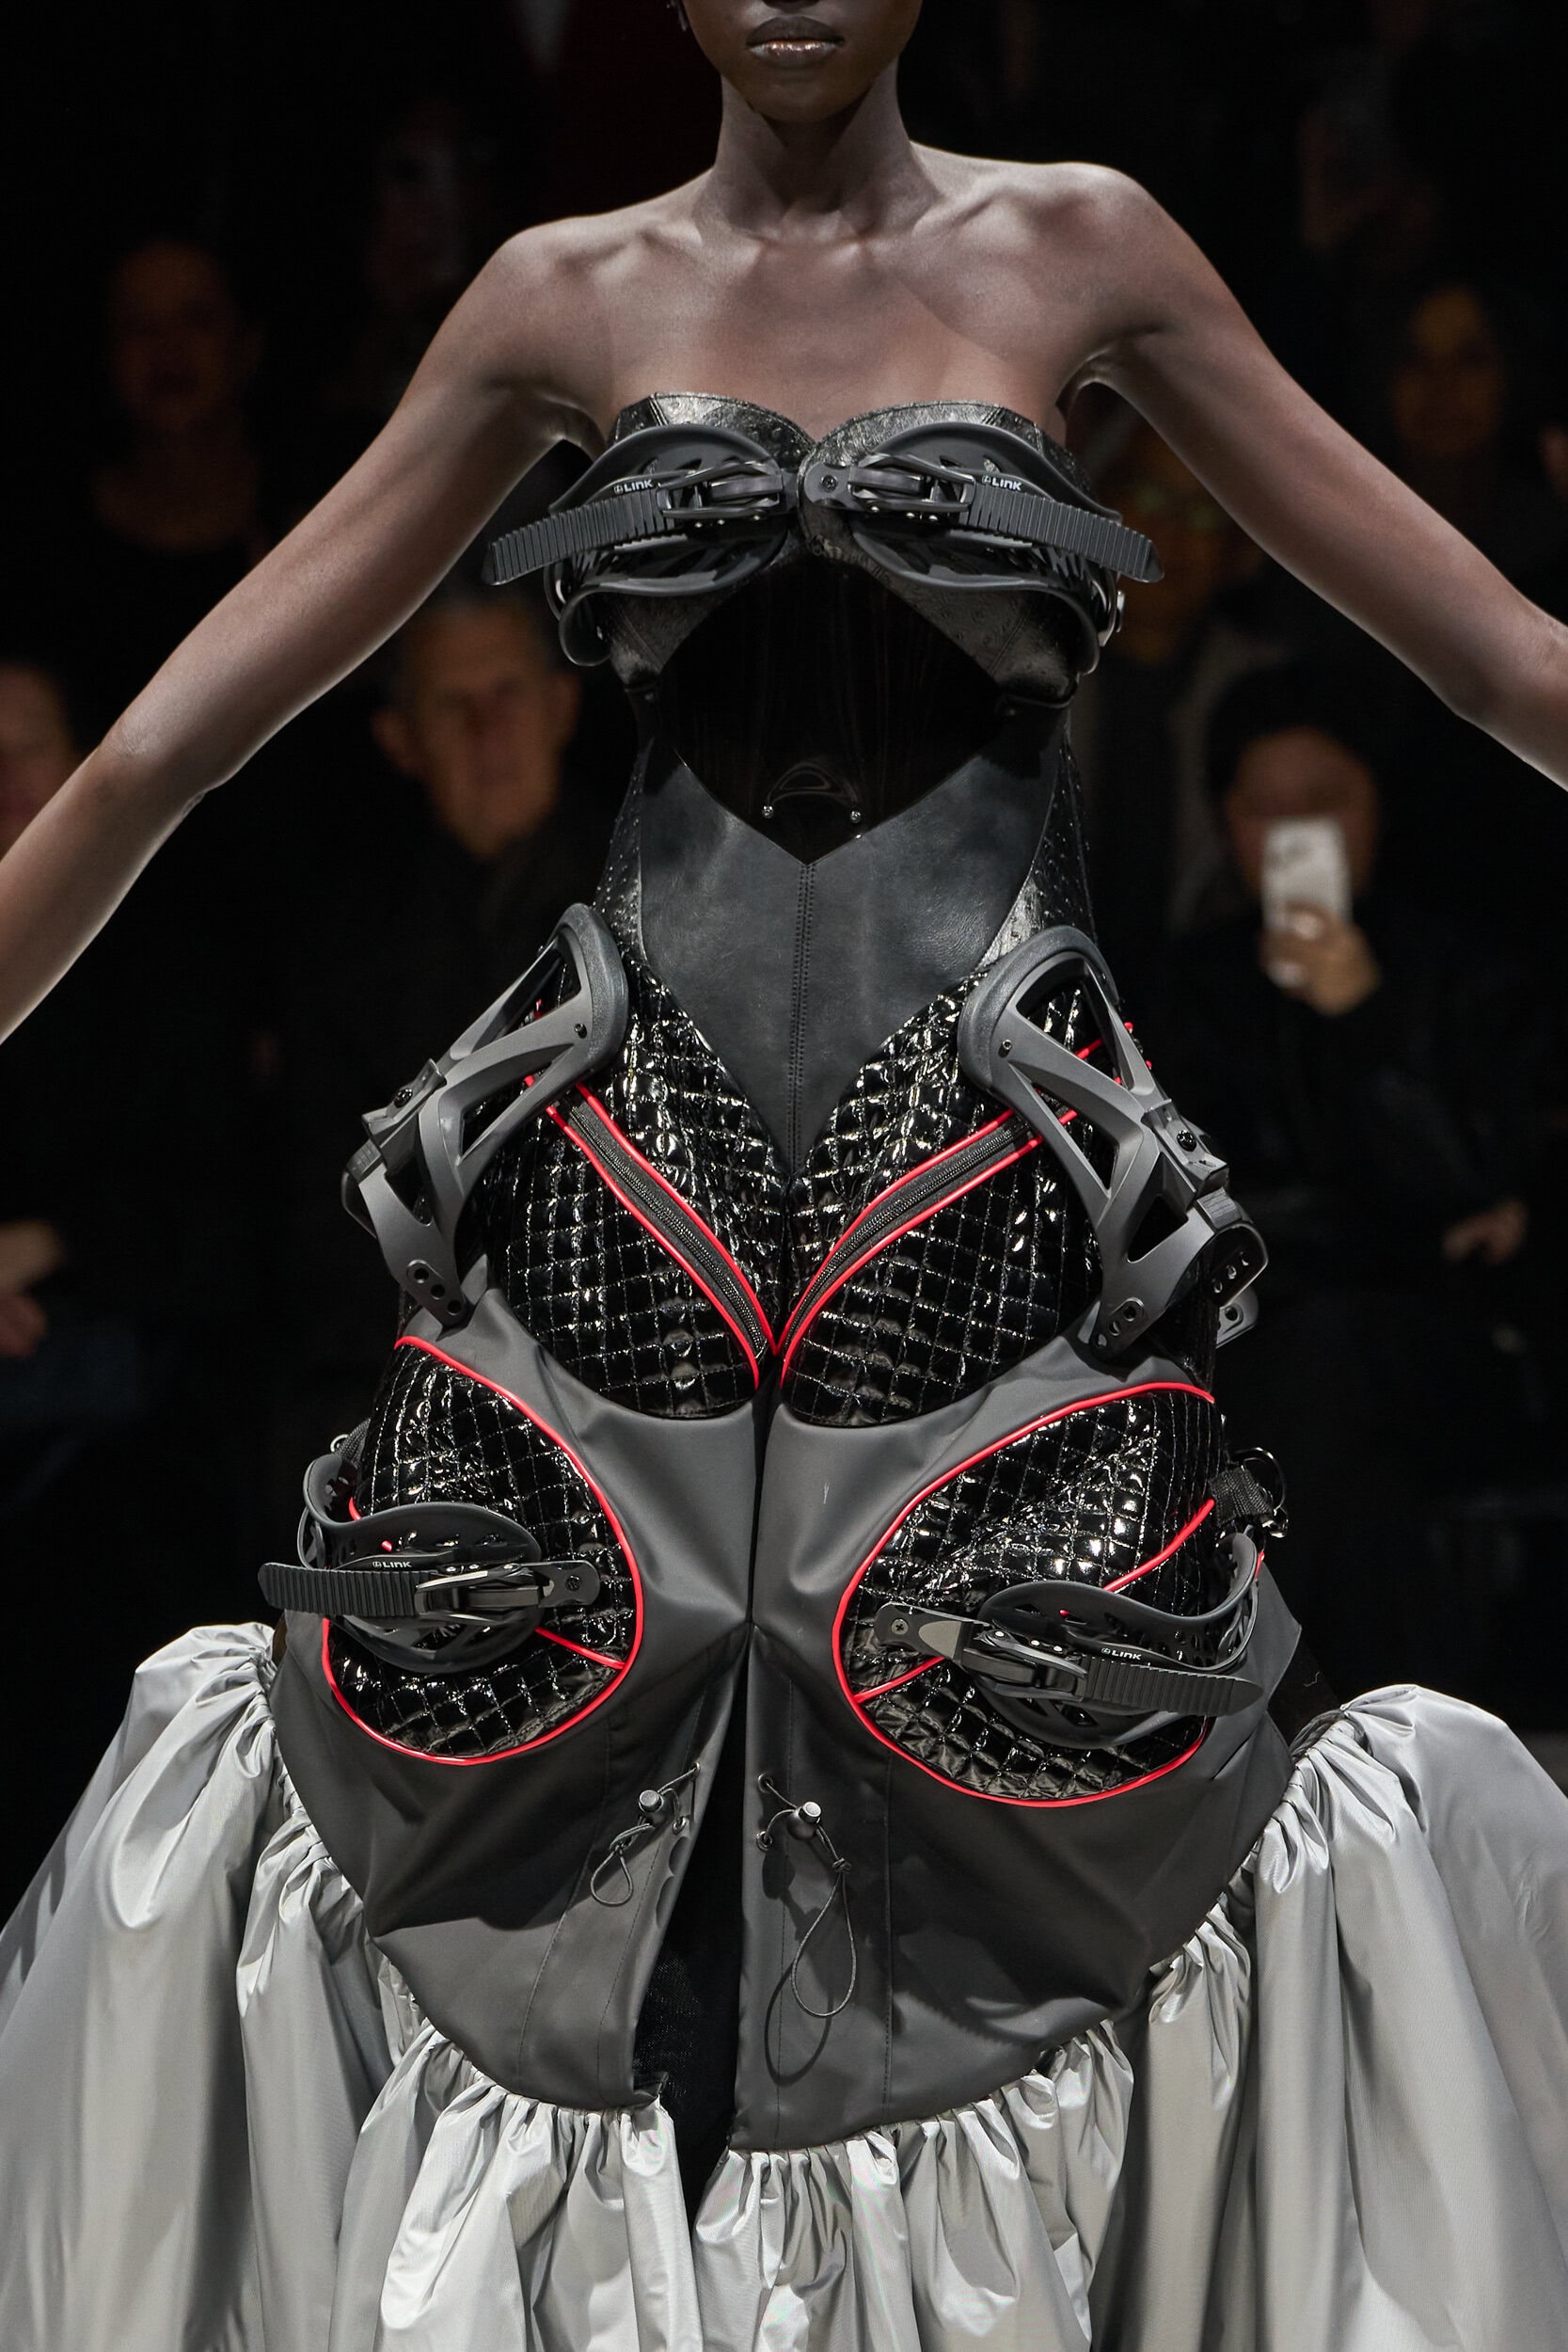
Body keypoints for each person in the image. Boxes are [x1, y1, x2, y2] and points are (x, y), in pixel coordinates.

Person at [5, 6, 1568, 2345]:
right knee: (509, 1839)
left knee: (1034, 1829)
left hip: (984, 1202)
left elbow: (1503, 664)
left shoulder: (1084, 249)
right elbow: (159, 746)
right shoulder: (563, 291)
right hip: (619, 1203)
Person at [1148, 662, 1549, 1697]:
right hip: (1258, 1336)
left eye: (1324, 803)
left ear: (1375, 807)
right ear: (1226, 824)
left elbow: (1476, 1193)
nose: (1298, 837)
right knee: (1346, 1467)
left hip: (1436, 1342)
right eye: (1267, 811)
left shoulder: (1458, 978)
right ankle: (1353, 1715)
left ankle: (1238, 1685)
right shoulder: (1188, 989)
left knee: (1332, 1360)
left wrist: (1359, 1015)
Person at [261, 580, 607, 1527]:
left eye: (508, 694)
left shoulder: (651, 901)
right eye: (454, 706)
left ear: (561, 705)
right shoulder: (343, 941)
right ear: (400, 739)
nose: (488, 731)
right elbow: (319, 1213)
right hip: (402, 1361)